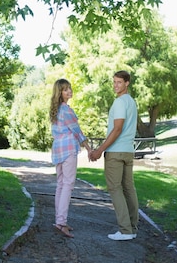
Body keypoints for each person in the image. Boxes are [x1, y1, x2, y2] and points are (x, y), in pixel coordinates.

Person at [89, 70, 139, 241]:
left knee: (115, 189)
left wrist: (99, 150)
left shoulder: (119, 103)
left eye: (119, 82)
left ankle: (125, 230)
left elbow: (117, 129)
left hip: (116, 152)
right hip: (128, 151)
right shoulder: (131, 102)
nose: (116, 85)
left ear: (127, 83)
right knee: (128, 189)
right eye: (114, 82)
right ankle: (132, 228)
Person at [50, 78, 92, 238]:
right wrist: (89, 149)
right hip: (67, 150)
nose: (69, 91)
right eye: (65, 89)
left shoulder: (55, 110)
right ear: (59, 93)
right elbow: (78, 132)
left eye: (69, 88)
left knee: (61, 184)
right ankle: (61, 222)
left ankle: (59, 220)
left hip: (58, 150)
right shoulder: (66, 110)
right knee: (67, 184)